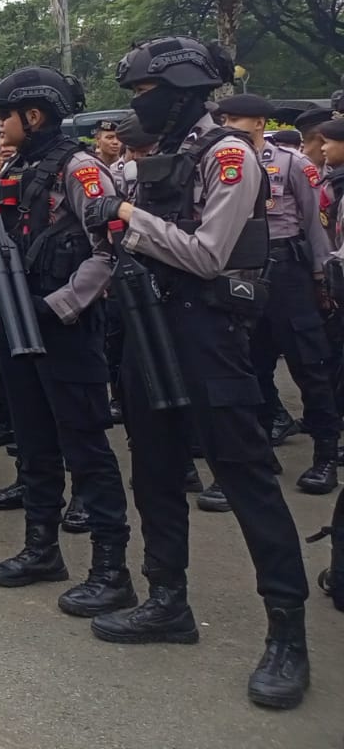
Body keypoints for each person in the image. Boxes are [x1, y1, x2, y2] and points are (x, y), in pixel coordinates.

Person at [88, 36, 308, 711]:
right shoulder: (166, 156)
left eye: (145, 94)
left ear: (182, 92)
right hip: (150, 327)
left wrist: (125, 219)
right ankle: (167, 601)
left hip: (207, 332)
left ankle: (288, 636)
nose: (136, 108)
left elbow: (210, 255)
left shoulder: (230, 155)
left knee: (246, 479)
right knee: (152, 469)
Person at [0, 67, 136, 617]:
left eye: (5, 116)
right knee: (33, 440)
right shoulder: (15, 169)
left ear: (34, 115)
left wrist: (62, 305)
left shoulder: (82, 168)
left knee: (87, 446)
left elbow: (110, 249)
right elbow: (4, 250)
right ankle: (41, 549)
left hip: (66, 324)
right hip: (21, 322)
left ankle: (111, 570)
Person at [217, 94, 337, 495]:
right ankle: (262, 448)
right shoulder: (224, 162)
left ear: (259, 122)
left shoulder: (292, 162)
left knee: (309, 364)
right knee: (252, 364)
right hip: (244, 272)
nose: (229, 123)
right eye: (225, 117)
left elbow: (315, 223)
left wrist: (322, 277)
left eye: (236, 117)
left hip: (289, 270)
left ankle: (325, 454)